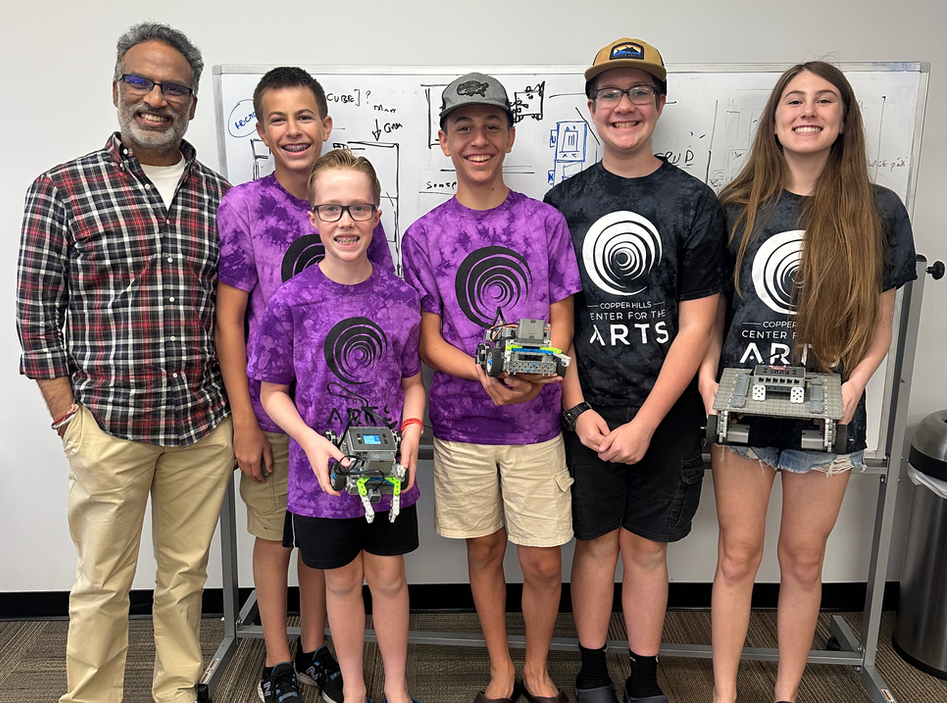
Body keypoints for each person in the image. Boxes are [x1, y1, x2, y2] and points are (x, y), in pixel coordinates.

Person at [16, 22, 235, 703]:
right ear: (116, 89)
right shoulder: (62, 188)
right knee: (103, 582)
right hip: (107, 426)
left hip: (200, 427)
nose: (155, 98)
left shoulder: (223, 198)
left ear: (192, 103)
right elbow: (34, 317)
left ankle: (175, 692)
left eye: (173, 87)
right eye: (140, 81)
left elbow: (233, 316)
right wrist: (67, 419)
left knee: (184, 578)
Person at [697, 61, 915, 703]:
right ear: (773, 119)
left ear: (845, 121)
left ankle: (786, 694)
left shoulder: (879, 209)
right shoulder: (734, 207)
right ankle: (724, 694)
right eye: (793, 100)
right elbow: (712, 315)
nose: (808, 111)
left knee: (803, 560)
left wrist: (853, 389)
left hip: (831, 413)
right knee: (738, 557)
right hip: (740, 410)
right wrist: (709, 380)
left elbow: (880, 328)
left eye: (825, 101)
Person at [544, 39, 725, 703]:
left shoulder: (693, 203)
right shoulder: (562, 204)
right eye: (611, 95)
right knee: (593, 545)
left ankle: (644, 675)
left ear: (660, 104)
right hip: (587, 410)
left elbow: (697, 325)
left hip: (667, 416)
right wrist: (577, 409)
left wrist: (648, 422)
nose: (625, 107)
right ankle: (592, 669)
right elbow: (554, 327)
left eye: (639, 93)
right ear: (592, 107)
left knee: (647, 548)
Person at [401, 73, 582, 703]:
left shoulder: (545, 224)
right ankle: (501, 669)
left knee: (541, 561)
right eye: (463, 128)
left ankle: (536, 667)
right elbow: (428, 341)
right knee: (484, 550)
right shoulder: (422, 236)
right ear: (444, 141)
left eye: (490, 126)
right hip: (461, 425)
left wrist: (539, 375)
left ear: (509, 136)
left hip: (536, 424)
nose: (478, 139)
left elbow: (564, 316)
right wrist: (483, 374)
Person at [217, 68, 391, 703]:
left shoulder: (354, 201)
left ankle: (317, 649)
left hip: (346, 414)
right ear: (261, 130)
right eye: (278, 119)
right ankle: (277, 660)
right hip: (277, 410)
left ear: (325, 124)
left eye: (304, 117)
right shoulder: (244, 207)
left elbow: (381, 302)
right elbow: (231, 318)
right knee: (274, 535)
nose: (293, 131)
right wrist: (244, 418)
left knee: (328, 542)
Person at [249, 148, 426, 703]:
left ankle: (394, 688)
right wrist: (309, 440)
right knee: (342, 582)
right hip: (319, 478)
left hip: (388, 472)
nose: (345, 221)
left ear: (376, 216)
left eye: (358, 208)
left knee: (390, 581)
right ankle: (353, 688)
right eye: (331, 209)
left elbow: (412, 380)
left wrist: (414, 430)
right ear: (312, 217)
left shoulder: (400, 296)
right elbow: (272, 390)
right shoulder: (291, 301)